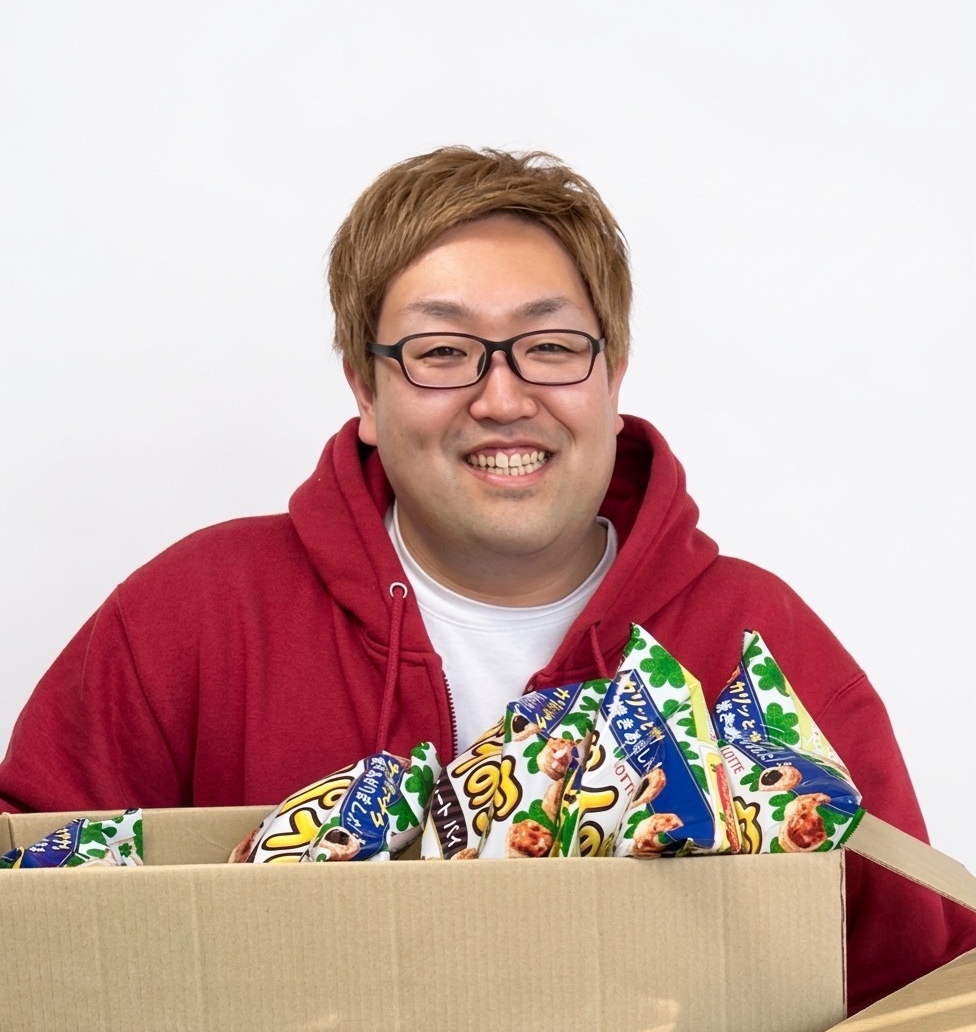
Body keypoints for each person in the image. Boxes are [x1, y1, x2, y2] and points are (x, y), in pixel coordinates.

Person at [0, 147, 972, 1011]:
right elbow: (30, 909)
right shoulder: (197, 616)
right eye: (443, 352)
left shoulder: (755, 640)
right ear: (365, 390)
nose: (502, 398)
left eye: (550, 347)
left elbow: (924, 985)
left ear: (612, 376)